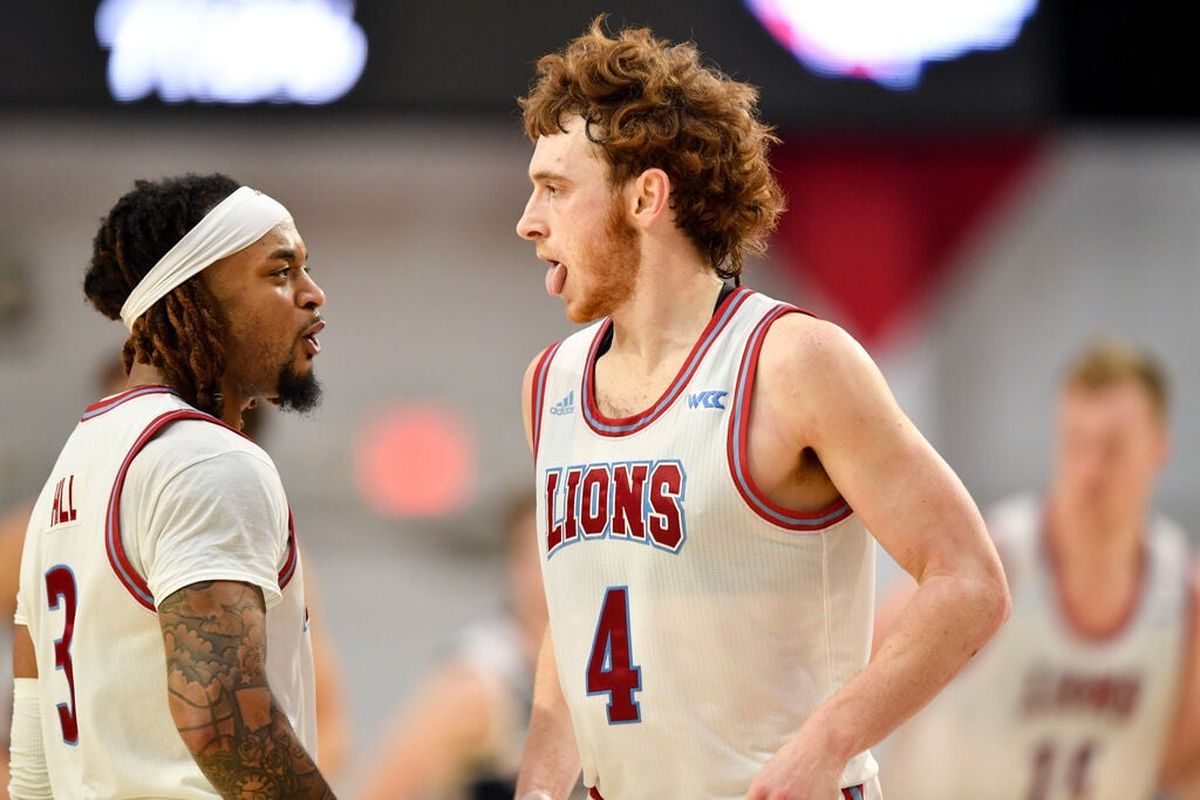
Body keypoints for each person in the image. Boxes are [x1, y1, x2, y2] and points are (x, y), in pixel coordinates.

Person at [511, 18, 1011, 800]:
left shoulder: (792, 362)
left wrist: (828, 745)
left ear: (647, 196)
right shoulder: (551, 385)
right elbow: (579, 614)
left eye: (554, 188)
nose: (528, 220)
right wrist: (539, 788)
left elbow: (970, 581)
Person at [8, 173, 336, 799]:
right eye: (280, 272)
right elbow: (223, 721)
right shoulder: (206, 460)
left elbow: (33, 761)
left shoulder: (69, 470)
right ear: (196, 297)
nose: (314, 294)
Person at [877, 342, 1200, 800]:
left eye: (1112, 448)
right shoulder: (990, 558)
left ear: (1158, 449)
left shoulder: (1182, 596)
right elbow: (855, 670)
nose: (1090, 470)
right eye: (1076, 443)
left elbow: (1186, 767)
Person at [357, 492, 582, 800]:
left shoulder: (604, 664)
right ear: (514, 567)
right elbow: (382, 789)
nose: (562, 575)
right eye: (545, 558)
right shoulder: (482, 680)